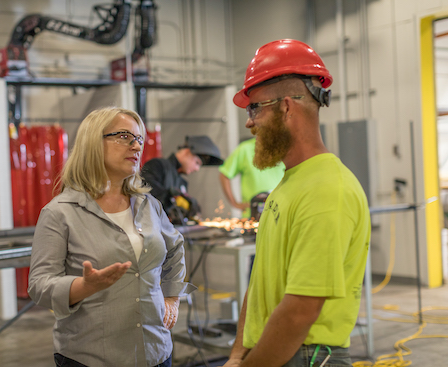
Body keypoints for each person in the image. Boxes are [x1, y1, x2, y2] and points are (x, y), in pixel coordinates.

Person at [222, 39, 371, 367]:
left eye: (254, 108)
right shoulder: (289, 182)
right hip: (274, 352)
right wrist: (237, 353)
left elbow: (299, 312)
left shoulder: (326, 190)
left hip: (305, 356)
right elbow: (259, 281)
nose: (249, 122)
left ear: (286, 107)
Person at [28, 107, 196, 367]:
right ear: (93, 143)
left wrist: (171, 298)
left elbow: (175, 249)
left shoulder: (149, 205)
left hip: (155, 352)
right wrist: (83, 287)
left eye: (139, 139)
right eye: (124, 136)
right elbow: (39, 284)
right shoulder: (60, 213)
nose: (136, 146)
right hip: (92, 356)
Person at [141, 135, 223, 222]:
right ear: (187, 152)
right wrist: (171, 196)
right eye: (197, 162)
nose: (197, 169)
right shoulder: (157, 165)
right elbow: (146, 194)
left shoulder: (182, 183)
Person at [218, 137, 285, 218]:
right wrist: (234, 203)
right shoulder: (245, 149)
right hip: (252, 215)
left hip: (281, 213)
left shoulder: (285, 149)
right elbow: (224, 174)